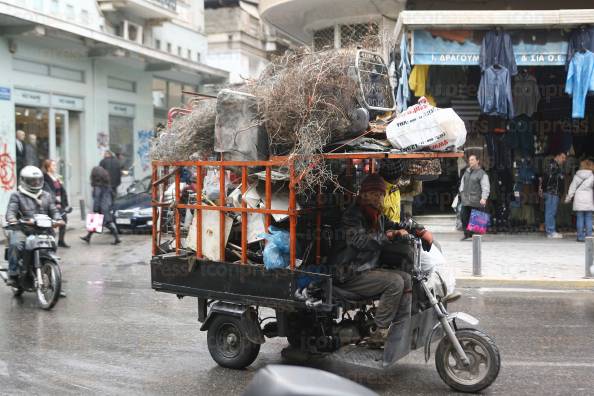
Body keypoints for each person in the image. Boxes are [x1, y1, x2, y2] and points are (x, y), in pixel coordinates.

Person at [330, 174, 433, 348]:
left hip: (366, 269)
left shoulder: (377, 216)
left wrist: (419, 230)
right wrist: (390, 236)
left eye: (381, 194)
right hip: (349, 272)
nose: (380, 198)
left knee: (406, 279)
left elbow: (397, 224)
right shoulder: (352, 215)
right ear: (364, 194)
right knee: (394, 282)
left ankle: (401, 328)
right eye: (375, 194)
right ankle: (380, 332)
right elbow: (360, 241)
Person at [4, 166, 63, 286]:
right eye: (32, 181)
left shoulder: (46, 195)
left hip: (44, 230)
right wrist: (12, 219)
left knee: (51, 249)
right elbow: (11, 210)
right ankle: (13, 273)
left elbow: (53, 210)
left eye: (38, 180)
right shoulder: (17, 195)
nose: (36, 183)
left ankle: (54, 281)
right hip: (23, 229)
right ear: (24, 180)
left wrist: (58, 219)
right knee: (15, 245)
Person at [80, 166, 121, 245]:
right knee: (96, 222)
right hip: (106, 206)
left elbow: (97, 198)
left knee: (107, 223)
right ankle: (88, 237)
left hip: (102, 207)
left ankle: (117, 238)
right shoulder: (106, 185)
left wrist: (95, 209)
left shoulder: (97, 186)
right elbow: (112, 195)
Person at [459, 154, 490, 240]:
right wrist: (461, 193)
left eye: (472, 160)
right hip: (466, 200)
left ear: (477, 161)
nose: (470, 162)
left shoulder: (482, 173)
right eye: (470, 160)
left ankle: (476, 236)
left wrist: (484, 198)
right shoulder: (466, 172)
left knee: (477, 218)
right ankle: (467, 234)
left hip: (476, 200)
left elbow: (486, 187)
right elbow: (462, 184)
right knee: (464, 216)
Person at [41, 159, 71, 248]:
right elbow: (47, 192)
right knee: (50, 223)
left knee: (64, 220)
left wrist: (64, 203)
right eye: (53, 165)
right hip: (51, 204)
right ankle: (48, 242)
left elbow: (61, 191)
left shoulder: (56, 177)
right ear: (48, 167)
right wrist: (55, 201)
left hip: (59, 204)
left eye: (55, 165)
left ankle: (61, 241)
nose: (55, 167)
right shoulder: (45, 178)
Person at [564, 159, 594, 242]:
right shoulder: (592, 176)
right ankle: (589, 237)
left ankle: (580, 237)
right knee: (588, 219)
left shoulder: (576, 176)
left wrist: (568, 198)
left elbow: (572, 188)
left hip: (579, 200)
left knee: (580, 218)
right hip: (588, 200)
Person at [540, 152, 567, 239]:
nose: (564, 160)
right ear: (557, 156)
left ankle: (551, 231)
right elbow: (547, 179)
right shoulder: (553, 165)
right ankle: (551, 231)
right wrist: (547, 190)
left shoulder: (554, 165)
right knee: (550, 212)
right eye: (563, 157)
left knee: (551, 212)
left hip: (553, 192)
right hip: (552, 192)